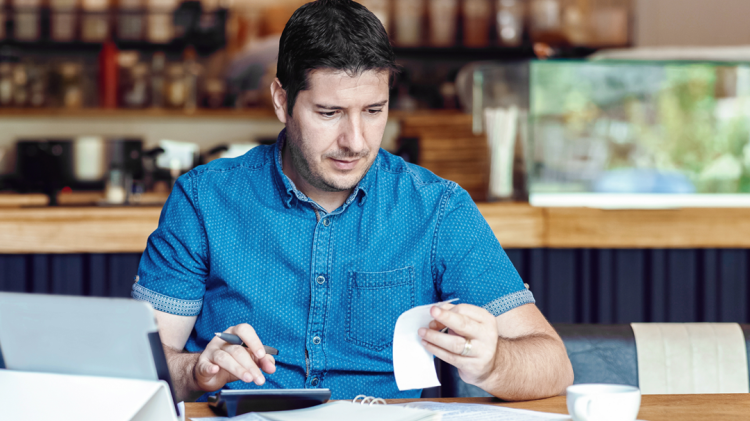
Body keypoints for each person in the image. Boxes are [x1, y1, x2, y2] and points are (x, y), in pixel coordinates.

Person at [132, 0, 573, 402]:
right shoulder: (204, 200)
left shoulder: (436, 210)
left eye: (373, 111)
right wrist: (198, 370)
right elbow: (137, 364)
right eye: (330, 113)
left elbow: (553, 365)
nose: (355, 142)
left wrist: (494, 363)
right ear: (282, 101)